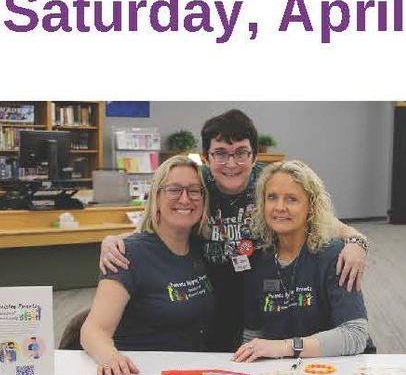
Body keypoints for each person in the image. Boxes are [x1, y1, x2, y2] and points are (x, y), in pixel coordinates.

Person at [97, 109, 366, 349]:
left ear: (254, 155)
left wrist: (356, 241)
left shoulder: (268, 184)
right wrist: (117, 240)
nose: (231, 163)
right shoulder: (198, 184)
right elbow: (163, 216)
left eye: (241, 153)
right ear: (206, 158)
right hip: (206, 295)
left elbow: (319, 218)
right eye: (221, 154)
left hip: (263, 291)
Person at [80, 156, 214, 375]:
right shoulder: (127, 254)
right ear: (156, 197)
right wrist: (111, 358)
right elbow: (93, 330)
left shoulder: (201, 247)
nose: (185, 199)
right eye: (174, 190)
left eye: (194, 191)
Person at [233, 161, 372, 360]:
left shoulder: (334, 255)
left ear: (311, 207)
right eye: (272, 197)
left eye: (292, 199)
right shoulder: (257, 260)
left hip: (339, 367)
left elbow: (355, 335)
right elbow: (253, 335)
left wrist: (285, 347)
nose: (279, 207)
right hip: (283, 370)